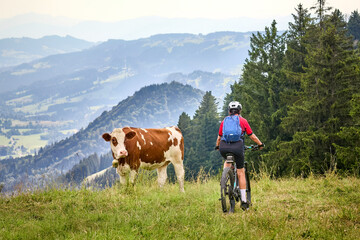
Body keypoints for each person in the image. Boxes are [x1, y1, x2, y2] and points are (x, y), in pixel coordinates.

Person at [215, 101, 264, 211]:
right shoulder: (243, 121)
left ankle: (225, 179)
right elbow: (252, 136)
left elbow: (219, 137)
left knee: (227, 161)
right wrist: (260, 144)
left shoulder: (224, 121)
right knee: (241, 172)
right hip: (237, 147)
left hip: (224, 147)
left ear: (229, 111)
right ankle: (243, 200)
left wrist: (218, 146)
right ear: (239, 111)